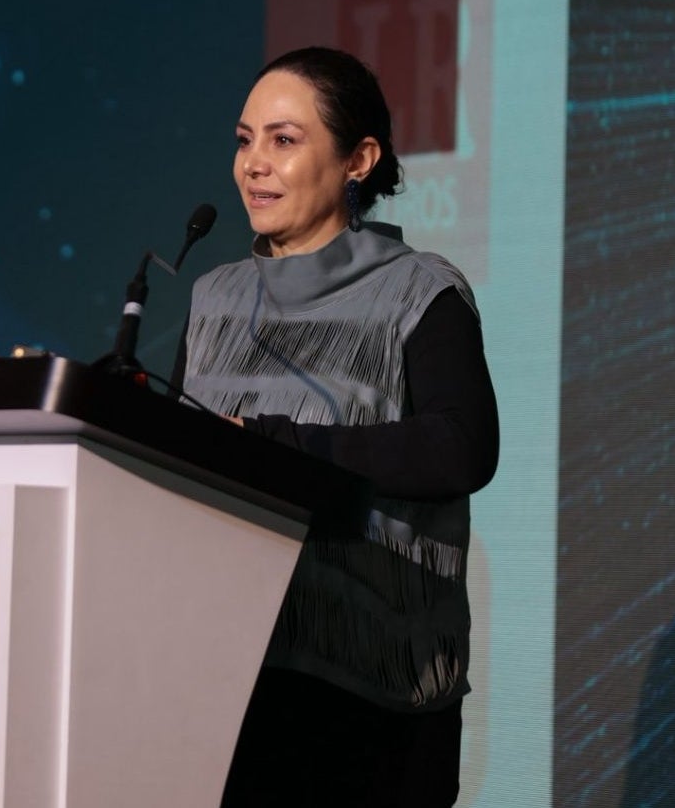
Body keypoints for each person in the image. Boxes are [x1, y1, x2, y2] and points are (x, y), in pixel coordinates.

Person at [173, 46, 499, 807]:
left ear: (359, 159)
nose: (253, 164)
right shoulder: (214, 298)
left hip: (373, 703)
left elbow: (461, 447)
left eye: (284, 140)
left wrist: (281, 444)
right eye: (244, 140)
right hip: (227, 682)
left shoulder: (420, 292)